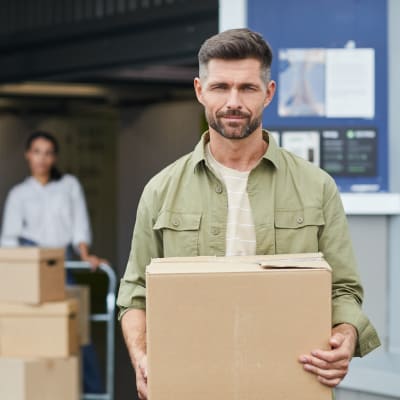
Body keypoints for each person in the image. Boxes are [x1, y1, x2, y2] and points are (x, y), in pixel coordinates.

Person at [117, 28, 380, 399]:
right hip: (191, 385)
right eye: (221, 87)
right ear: (199, 91)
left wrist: (345, 336)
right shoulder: (161, 191)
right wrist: (141, 357)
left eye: (248, 88)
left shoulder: (316, 186)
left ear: (269, 93)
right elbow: (135, 293)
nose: (233, 101)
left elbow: (343, 289)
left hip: (288, 384)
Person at [0, 130, 105, 393]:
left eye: (47, 153)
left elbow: (79, 225)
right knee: (31, 333)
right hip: (29, 269)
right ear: (27, 155)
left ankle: (93, 393)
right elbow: (8, 239)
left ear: (54, 157)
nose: (42, 159)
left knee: (76, 332)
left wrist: (84, 254)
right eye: (37, 152)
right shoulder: (19, 194)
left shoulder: (69, 185)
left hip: (62, 267)